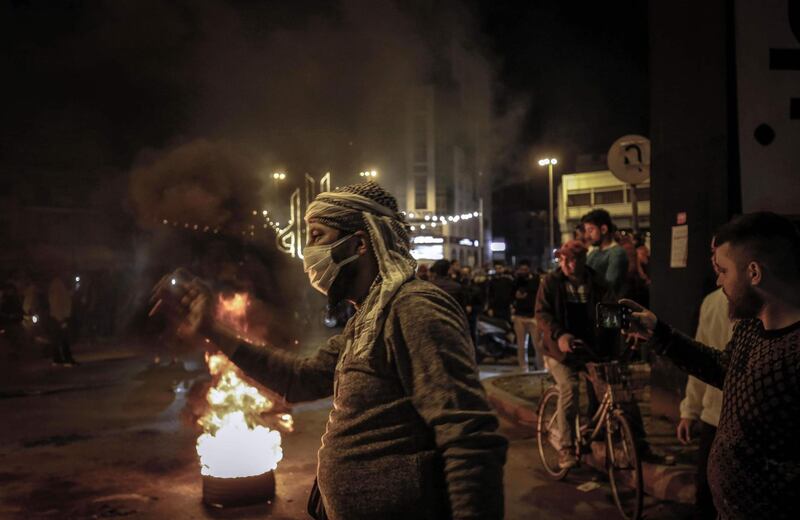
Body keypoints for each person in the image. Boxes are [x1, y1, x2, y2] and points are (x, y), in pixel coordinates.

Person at [154, 181, 507, 520]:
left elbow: (468, 435)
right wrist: (212, 330)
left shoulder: (413, 308)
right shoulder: (367, 319)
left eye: (317, 237)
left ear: (359, 244)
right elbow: (299, 378)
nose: (308, 252)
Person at [623, 212, 800, 520]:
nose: (719, 281)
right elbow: (725, 369)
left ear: (754, 272)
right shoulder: (750, 328)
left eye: (723, 270)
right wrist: (659, 333)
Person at [535, 240, 613, 468]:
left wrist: (623, 330)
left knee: (605, 388)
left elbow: (610, 312)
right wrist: (560, 335)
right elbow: (542, 315)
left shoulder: (597, 283)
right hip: (558, 350)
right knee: (570, 387)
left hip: (589, 348)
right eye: (563, 259)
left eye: (572, 259)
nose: (567, 264)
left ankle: (601, 433)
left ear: (583, 260)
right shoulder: (551, 282)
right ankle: (566, 447)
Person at [678, 287, 732, 520]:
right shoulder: (712, 302)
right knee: (705, 493)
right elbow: (702, 360)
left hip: (742, 421)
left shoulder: (766, 306)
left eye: (724, 270)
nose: (719, 277)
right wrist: (689, 409)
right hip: (713, 416)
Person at [581, 209, 629, 298]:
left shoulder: (617, 253)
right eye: (586, 231)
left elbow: (610, 284)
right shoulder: (594, 252)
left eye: (590, 230)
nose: (586, 236)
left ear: (603, 229)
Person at [511, 260, 541, 372]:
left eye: (525, 269)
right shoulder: (516, 280)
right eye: (521, 269)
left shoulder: (536, 280)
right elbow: (512, 294)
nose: (523, 271)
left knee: (538, 345)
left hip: (533, 317)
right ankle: (523, 368)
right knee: (521, 346)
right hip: (520, 316)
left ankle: (540, 368)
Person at [48, 273, 77, 366]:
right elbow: (56, 302)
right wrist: (61, 319)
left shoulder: (59, 285)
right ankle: (66, 359)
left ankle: (58, 359)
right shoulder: (58, 285)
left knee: (59, 338)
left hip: (59, 316)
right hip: (60, 317)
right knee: (63, 338)